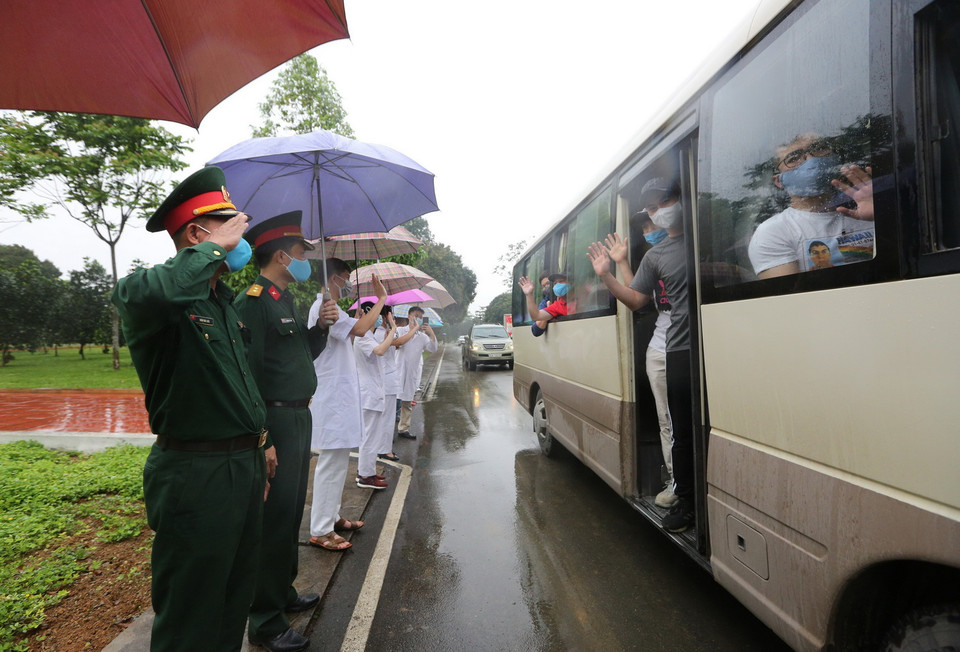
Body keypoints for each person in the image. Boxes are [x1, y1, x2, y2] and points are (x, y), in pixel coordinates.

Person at [111, 166, 268, 651]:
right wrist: (212, 248)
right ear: (199, 234)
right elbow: (165, 288)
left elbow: (240, 381)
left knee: (232, 597)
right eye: (232, 226)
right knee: (191, 611)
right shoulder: (149, 294)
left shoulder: (222, 302)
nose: (244, 236)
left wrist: (263, 443)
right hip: (195, 472)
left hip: (242, 464)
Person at [235, 211, 339, 652]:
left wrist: (320, 328)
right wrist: (264, 437)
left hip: (299, 416)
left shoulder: (284, 299)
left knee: (291, 509)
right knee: (272, 519)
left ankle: (283, 593)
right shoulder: (254, 302)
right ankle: (263, 620)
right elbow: (248, 376)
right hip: (275, 420)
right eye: (301, 253)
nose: (305, 261)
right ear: (281, 254)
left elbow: (298, 355)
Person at [586, 176, 695, 533]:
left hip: (715, 346)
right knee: (677, 426)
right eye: (650, 210)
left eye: (664, 203)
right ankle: (685, 496)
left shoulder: (705, 239)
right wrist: (606, 273)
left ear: (681, 200)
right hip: (674, 350)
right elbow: (636, 300)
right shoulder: (656, 255)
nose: (658, 214)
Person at [306, 260, 386, 551]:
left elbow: (355, 327)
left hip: (337, 397)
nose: (349, 282)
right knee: (331, 463)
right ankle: (321, 529)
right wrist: (381, 299)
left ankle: (331, 517)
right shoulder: (325, 307)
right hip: (332, 399)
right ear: (334, 278)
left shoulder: (333, 308)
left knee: (337, 462)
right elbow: (363, 329)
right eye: (346, 277)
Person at [601, 223, 677, 508]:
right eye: (645, 224)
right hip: (659, 348)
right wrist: (617, 264)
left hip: (685, 346)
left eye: (653, 223)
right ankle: (675, 480)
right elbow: (638, 298)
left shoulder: (683, 251)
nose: (650, 228)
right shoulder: (652, 259)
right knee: (666, 419)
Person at [748, 132, 875, 279]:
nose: (811, 159)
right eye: (794, 158)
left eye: (819, 149)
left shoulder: (870, 205)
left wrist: (884, 212)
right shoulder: (773, 232)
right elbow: (789, 296)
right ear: (778, 181)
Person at [354, 301, 396, 489]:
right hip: (368, 394)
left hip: (373, 393)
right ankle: (365, 475)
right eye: (378, 314)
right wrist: (393, 330)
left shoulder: (368, 336)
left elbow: (380, 347)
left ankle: (368, 471)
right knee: (369, 437)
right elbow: (380, 351)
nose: (380, 318)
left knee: (372, 436)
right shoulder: (362, 337)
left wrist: (387, 335)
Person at [396, 306, 438, 439]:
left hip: (411, 374)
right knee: (390, 403)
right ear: (409, 317)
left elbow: (433, 348)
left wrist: (431, 333)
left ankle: (403, 429)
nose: (419, 319)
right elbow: (396, 344)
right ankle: (384, 433)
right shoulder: (399, 331)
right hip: (397, 372)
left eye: (421, 318)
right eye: (417, 316)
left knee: (407, 403)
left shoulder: (422, 337)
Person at [530, 272, 552, 337]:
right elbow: (536, 331)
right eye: (543, 286)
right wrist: (549, 310)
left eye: (548, 283)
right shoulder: (546, 301)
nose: (546, 287)